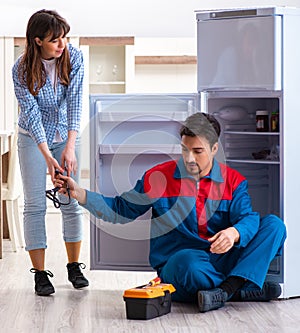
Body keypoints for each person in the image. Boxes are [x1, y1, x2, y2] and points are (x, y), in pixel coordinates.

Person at [55, 112, 286, 312]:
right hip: (182, 263)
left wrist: (234, 233)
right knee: (186, 263)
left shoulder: (233, 181)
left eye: (198, 151)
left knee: (274, 226)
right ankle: (241, 287)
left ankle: (224, 291)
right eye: (185, 150)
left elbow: (247, 218)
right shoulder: (158, 178)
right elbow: (120, 210)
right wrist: (80, 194)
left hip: (220, 259)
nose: (189, 158)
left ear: (215, 149)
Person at [12, 9, 89, 296]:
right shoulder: (20, 69)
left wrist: (69, 146)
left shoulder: (75, 57)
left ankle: (73, 266)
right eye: (55, 39)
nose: (62, 44)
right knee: (35, 205)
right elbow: (30, 114)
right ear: (37, 41)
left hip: (66, 135)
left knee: (71, 199)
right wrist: (47, 156)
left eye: (65, 38)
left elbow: (75, 103)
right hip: (32, 138)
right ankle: (41, 274)